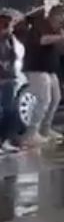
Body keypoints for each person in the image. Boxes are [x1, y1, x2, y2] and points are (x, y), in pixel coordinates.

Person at [18, 4, 64, 146]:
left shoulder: (56, 30)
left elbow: (62, 49)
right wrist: (60, 37)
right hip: (36, 68)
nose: (63, 23)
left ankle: (45, 129)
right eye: (62, 19)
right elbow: (42, 40)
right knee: (44, 99)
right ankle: (31, 133)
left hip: (50, 69)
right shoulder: (41, 25)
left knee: (55, 98)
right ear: (55, 16)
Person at [0, 9, 23, 154]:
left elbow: (14, 56)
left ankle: (5, 140)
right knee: (5, 111)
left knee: (11, 111)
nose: (12, 28)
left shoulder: (8, 40)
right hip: (3, 79)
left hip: (9, 78)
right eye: (9, 25)